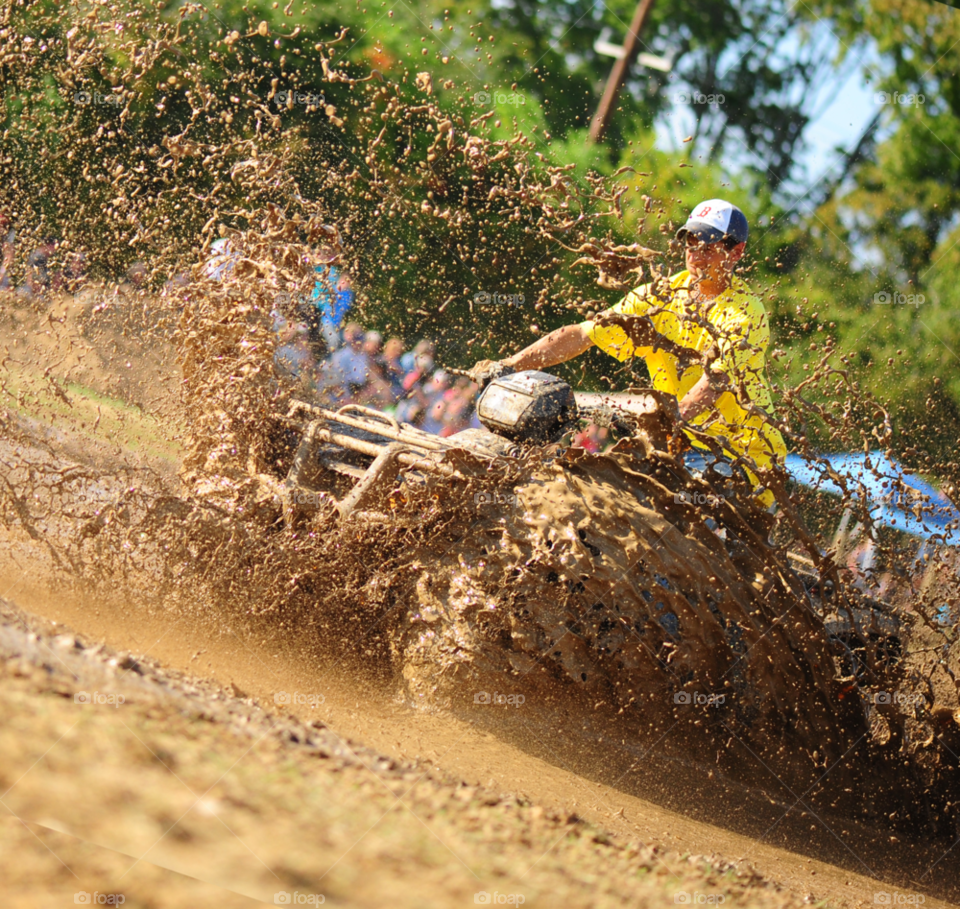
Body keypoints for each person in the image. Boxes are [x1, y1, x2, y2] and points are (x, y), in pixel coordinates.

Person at [471, 200, 786, 504]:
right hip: (680, 443)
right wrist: (509, 364)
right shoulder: (660, 296)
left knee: (670, 516)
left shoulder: (746, 316)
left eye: (709, 245)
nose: (697, 255)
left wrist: (658, 427)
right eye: (692, 242)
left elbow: (712, 384)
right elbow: (583, 334)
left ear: (736, 252)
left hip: (744, 459)